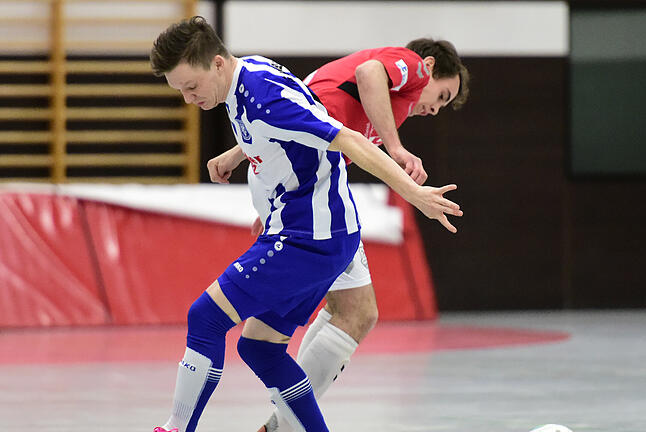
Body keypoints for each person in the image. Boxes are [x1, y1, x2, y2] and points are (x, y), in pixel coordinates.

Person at [149, 16, 462, 432]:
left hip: (309, 236)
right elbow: (292, 122)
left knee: (205, 317)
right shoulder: (248, 79)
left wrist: (414, 193)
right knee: (261, 348)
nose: (189, 99)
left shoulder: (264, 95)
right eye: (181, 90)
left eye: (191, 87)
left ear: (219, 64)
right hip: (311, 227)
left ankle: (174, 428)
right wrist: (239, 153)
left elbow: (343, 136)